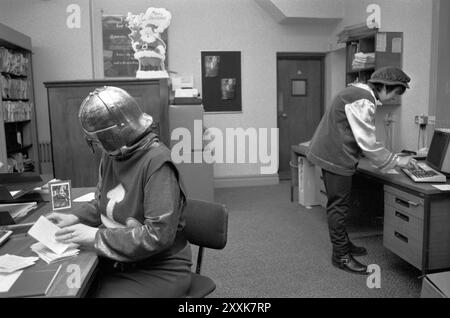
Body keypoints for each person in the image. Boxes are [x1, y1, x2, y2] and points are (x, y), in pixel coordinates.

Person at [46, 86, 192, 297]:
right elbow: (103, 204)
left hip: (159, 268)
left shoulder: (158, 163)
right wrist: (73, 217)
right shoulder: (113, 155)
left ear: (113, 136)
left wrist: (96, 236)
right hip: (119, 258)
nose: (97, 146)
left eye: (98, 140)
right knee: (71, 284)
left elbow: (158, 236)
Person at [306, 67, 418, 275]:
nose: (394, 98)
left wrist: (387, 158)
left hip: (331, 151)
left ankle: (344, 244)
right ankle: (340, 256)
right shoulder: (363, 99)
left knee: (341, 203)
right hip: (335, 156)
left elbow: (359, 136)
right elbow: (367, 142)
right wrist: (397, 160)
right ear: (384, 86)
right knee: (338, 207)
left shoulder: (357, 91)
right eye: (395, 92)